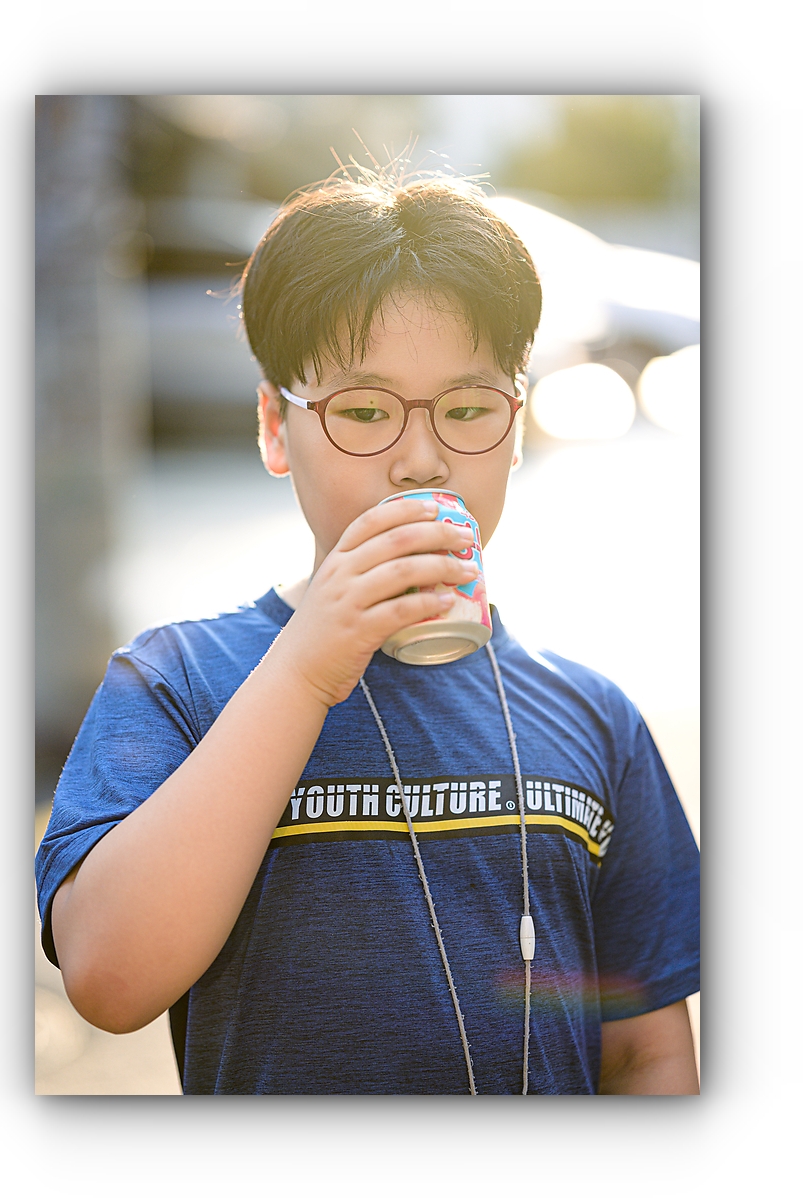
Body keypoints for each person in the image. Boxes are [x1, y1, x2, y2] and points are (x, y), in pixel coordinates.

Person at [35, 169, 700, 1095]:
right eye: (361, 412)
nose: (420, 458)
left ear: (515, 427)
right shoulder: (177, 681)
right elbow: (109, 979)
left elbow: (643, 1052)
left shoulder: (592, 717)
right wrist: (305, 669)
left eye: (467, 410)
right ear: (275, 429)